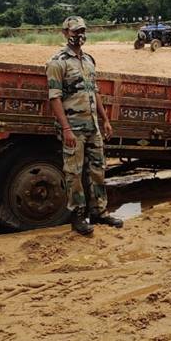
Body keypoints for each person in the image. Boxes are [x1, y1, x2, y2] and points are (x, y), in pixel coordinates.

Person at [46, 16, 123, 236]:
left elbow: (94, 91)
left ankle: (99, 211)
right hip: (73, 128)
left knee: (98, 169)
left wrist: (105, 119)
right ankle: (77, 216)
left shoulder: (89, 60)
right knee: (74, 173)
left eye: (82, 31)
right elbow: (54, 98)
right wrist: (67, 129)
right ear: (64, 33)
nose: (79, 35)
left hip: (92, 126)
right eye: (74, 32)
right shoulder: (57, 62)